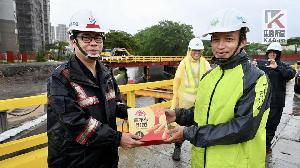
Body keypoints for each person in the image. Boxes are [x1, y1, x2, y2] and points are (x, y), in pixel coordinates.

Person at [164, 9, 271, 168]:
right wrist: (178, 115)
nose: (220, 46)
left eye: (228, 39)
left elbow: (243, 128)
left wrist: (188, 133)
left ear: (242, 41)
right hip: (202, 162)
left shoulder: (256, 79)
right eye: (215, 40)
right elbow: (203, 112)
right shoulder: (210, 75)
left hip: (237, 163)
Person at [47, 10, 143, 168]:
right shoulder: (61, 78)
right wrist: (118, 139)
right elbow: (75, 123)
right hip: (75, 160)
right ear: (73, 41)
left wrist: (141, 115)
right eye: (86, 37)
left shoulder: (106, 73)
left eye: (98, 38)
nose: (93, 43)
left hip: (107, 156)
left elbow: (116, 104)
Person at [170, 37, 210, 161]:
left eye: (199, 50)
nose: (197, 53)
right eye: (194, 50)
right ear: (189, 50)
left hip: (200, 103)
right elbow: (177, 82)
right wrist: (175, 99)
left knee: (198, 128)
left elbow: (210, 80)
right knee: (181, 128)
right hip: (184, 103)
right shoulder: (184, 63)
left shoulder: (205, 63)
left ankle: (198, 152)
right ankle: (177, 147)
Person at [252, 42, 296, 154]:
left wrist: (277, 68)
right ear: (267, 53)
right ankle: (256, 144)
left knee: (272, 125)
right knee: (258, 124)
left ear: (278, 54)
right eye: (270, 52)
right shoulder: (262, 65)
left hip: (276, 102)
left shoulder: (284, 66)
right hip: (261, 101)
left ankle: (266, 145)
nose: (272, 54)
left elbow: (291, 74)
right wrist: (252, 67)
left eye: (274, 52)